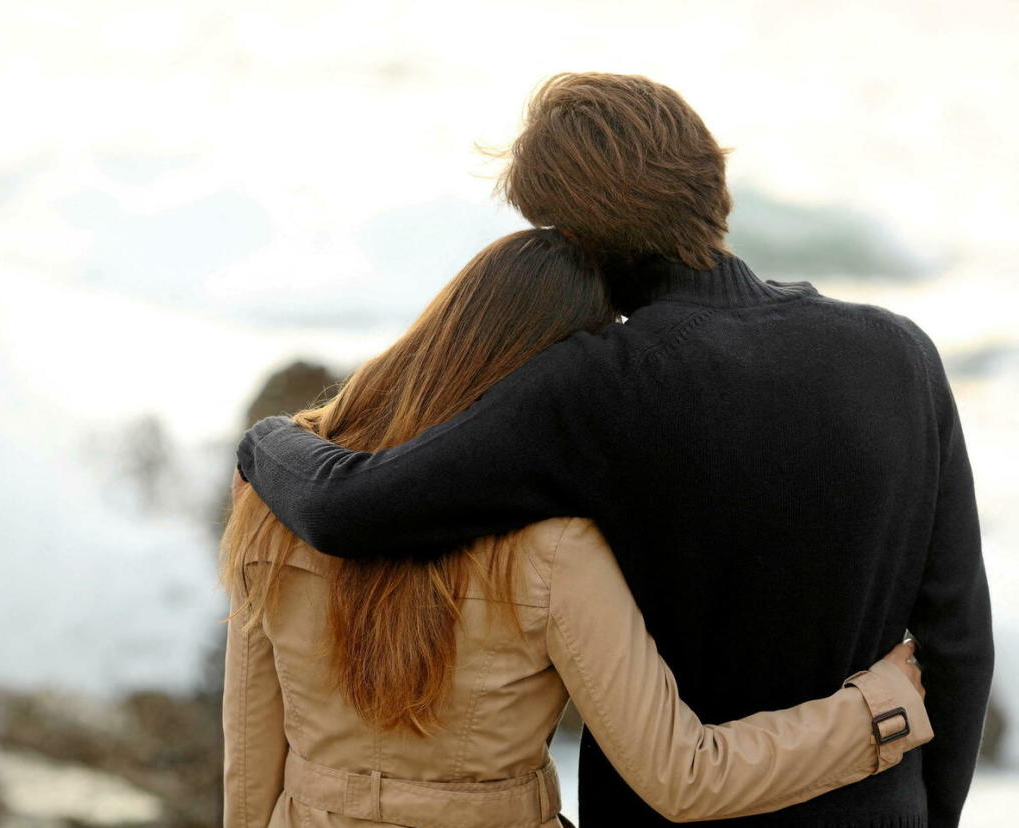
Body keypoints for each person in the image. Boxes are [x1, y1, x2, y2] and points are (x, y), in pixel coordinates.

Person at [235, 74, 993, 828]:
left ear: (570, 239)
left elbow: (349, 510)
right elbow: (957, 642)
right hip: (881, 806)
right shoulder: (899, 354)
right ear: (713, 185)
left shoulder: (597, 388)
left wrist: (268, 439)